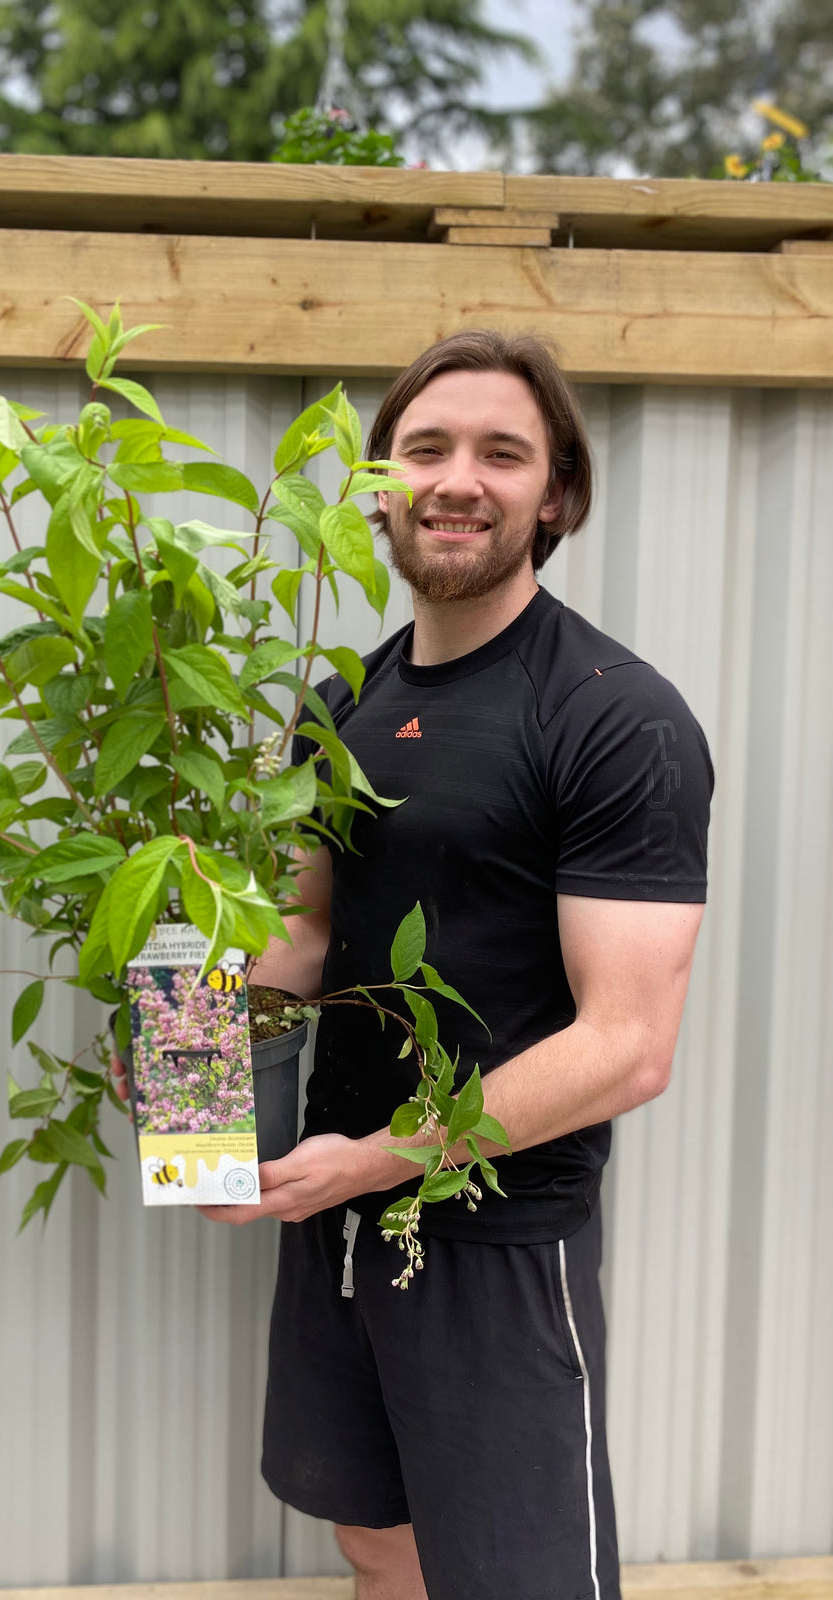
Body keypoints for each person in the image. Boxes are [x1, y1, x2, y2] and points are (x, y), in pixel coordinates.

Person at [117, 330, 712, 1600]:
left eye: (503, 452)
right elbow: (302, 930)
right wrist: (189, 1071)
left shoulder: (614, 714)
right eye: (425, 448)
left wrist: (380, 1157)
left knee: (515, 1575)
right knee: (373, 1536)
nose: (458, 479)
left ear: (554, 494)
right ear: (378, 483)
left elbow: (629, 1046)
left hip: (494, 1231)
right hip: (335, 1197)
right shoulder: (343, 699)